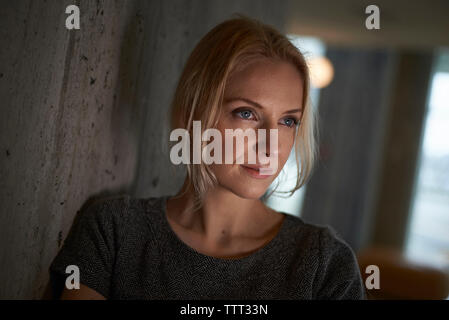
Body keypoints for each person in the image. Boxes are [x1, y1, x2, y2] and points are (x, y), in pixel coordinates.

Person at [48, 15, 366, 300]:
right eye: (247, 113)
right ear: (193, 114)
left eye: (288, 121)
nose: (270, 144)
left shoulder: (324, 266)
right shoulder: (115, 231)